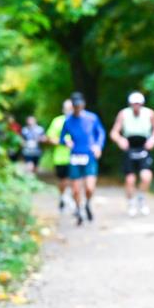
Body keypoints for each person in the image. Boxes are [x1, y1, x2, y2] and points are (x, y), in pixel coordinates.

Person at [110, 92, 154, 217]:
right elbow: (114, 132)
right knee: (130, 179)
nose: (136, 107)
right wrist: (120, 140)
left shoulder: (149, 113)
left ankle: (141, 198)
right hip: (130, 147)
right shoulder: (123, 114)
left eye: (138, 104)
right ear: (130, 104)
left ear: (142, 104)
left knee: (146, 176)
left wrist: (153, 139)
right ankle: (131, 202)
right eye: (134, 104)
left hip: (144, 146)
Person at [60, 92, 106, 226]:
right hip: (75, 156)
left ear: (83, 105)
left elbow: (101, 133)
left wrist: (98, 146)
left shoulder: (92, 118)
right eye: (75, 106)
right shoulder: (68, 121)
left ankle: (87, 204)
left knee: (90, 187)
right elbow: (62, 137)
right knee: (75, 189)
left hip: (89, 155)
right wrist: (66, 142)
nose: (77, 108)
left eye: (79, 105)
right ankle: (79, 209)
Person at [45, 99, 75, 212]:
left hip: (75, 156)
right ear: (63, 109)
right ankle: (63, 198)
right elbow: (49, 138)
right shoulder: (57, 121)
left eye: (70, 108)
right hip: (60, 157)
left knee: (74, 180)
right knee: (63, 180)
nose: (69, 111)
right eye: (67, 108)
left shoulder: (78, 121)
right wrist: (63, 142)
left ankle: (72, 199)